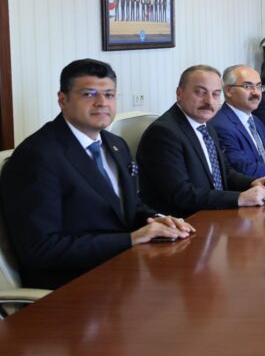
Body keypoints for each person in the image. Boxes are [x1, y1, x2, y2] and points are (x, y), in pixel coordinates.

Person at [0, 59, 193, 289]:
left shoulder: (115, 144)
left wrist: (157, 219)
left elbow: (128, 207)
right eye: (89, 94)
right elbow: (40, 249)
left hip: (123, 270)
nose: (102, 103)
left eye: (109, 95)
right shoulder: (37, 157)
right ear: (63, 100)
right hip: (72, 285)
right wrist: (130, 239)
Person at [137, 65, 265, 218]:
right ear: (179, 93)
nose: (209, 101)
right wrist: (239, 198)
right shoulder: (163, 133)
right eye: (200, 92)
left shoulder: (206, 125)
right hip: (184, 222)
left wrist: (252, 182)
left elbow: (225, 171)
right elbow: (181, 194)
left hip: (212, 214)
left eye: (215, 94)